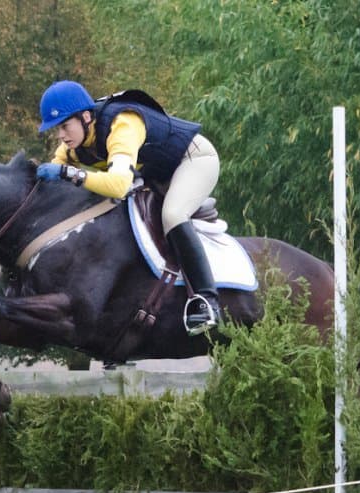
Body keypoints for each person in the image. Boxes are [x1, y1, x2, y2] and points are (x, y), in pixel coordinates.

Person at [36, 80, 222, 335]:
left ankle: (206, 301)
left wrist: (70, 174)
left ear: (86, 117)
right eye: (57, 129)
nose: (61, 135)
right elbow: (54, 178)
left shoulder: (122, 124)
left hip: (194, 159)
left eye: (64, 126)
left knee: (173, 214)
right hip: (157, 173)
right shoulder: (74, 145)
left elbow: (117, 186)